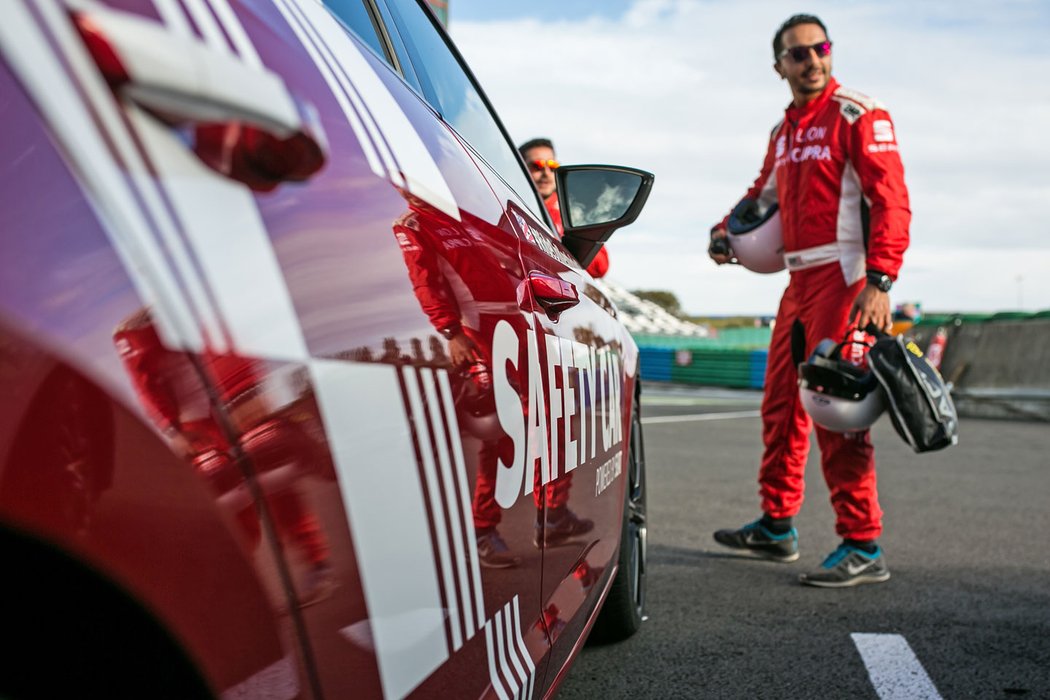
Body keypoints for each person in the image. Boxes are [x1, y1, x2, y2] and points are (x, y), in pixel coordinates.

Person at [708, 14, 911, 587]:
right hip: (796, 283)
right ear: (780, 67)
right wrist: (725, 230)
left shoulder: (858, 112)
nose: (812, 60)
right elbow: (760, 195)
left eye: (819, 48)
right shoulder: (783, 131)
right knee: (780, 405)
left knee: (836, 408)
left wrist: (881, 280)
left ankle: (863, 543)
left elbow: (892, 201)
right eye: (798, 54)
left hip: (846, 278)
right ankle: (777, 526)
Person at [518, 137, 610, 279]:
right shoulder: (510, 205)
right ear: (520, 168)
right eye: (537, 166)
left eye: (552, 166)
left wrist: (567, 244)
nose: (546, 173)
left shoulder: (574, 211)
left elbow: (600, 266)